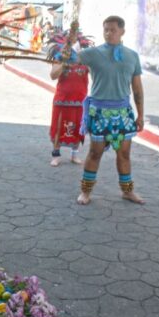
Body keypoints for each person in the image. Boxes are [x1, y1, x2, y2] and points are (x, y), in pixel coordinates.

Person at [75, 15, 145, 205]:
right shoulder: (93, 53)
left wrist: (140, 115)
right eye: (106, 29)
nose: (108, 33)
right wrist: (67, 45)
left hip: (123, 113)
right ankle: (86, 192)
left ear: (122, 31)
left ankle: (127, 191)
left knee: (124, 154)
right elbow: (70, 58)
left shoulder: (132, 56)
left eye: (113, 30)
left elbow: (137, 88)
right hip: (99, 113)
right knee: (94, 153)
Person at [47, 32, 90, 167]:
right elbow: (53, 75)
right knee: (59, 126)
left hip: (80, 99)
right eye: (70, 41)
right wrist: (64, 64)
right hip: (62, 98)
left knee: (78, 126)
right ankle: (56, 154)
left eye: (75, 41)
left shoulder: (86, 58)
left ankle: (74, 154)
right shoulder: (60, 57)